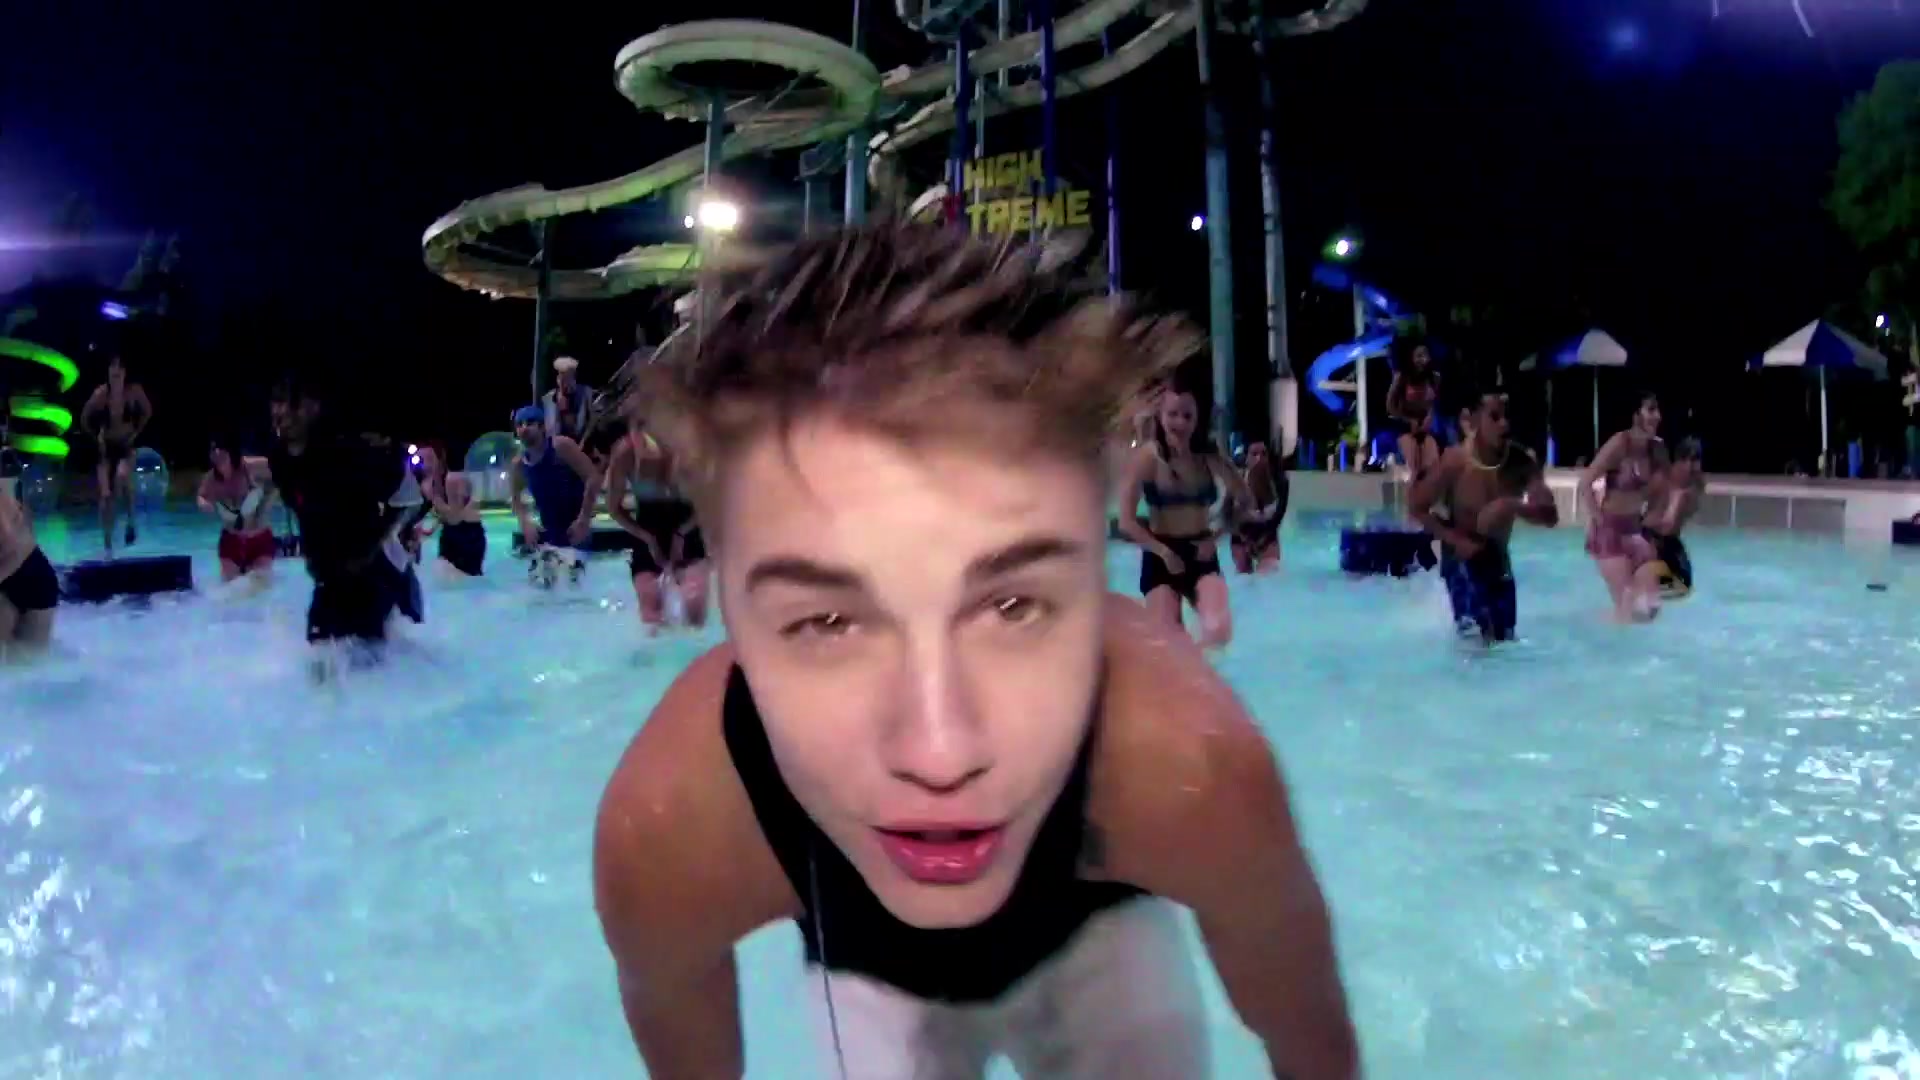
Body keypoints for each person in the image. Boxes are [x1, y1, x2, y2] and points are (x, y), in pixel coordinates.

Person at [593, 222, 1358, 1080]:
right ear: (727, 603)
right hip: (869, 980)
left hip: (1100, 945)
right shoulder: (673, 832)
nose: (940, 753)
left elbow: (1310, 1046)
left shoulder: (1190, 771)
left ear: (1094, 573)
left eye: (1013, 606)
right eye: (826, 621)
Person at [256, 369, 424, 660]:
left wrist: (377, 540)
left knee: (368, 666)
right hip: (330, 580)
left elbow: (410, 493)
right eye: (276, 402)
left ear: (312, 408)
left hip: (374, 576)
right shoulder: (280, 458)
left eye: (290, 403)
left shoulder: (347, 451)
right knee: (320, 662)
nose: (280, 412)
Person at [1409, 391, 1559, 644]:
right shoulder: (1455, 461)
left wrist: (1511, 505)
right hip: (1461, 559)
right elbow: (1416, 508)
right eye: (1495, 417)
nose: (1504, 424)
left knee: (1504, 642)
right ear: (1473, 419)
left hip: (1498, 560)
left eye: (1507, 416)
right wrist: (1455, 539)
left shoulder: (1521, 463)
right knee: (1477, 641)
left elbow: (1550, 516)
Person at [1115, 388, 1255, 648]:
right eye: (1173, 414)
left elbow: (1246, 499)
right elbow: (1126, 522)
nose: (1180, 423)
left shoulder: (1208, 457)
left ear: (1197, 419)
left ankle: (1196, 661)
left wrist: (1216, 536)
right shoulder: (1147, 458)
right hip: (1161, 556)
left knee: (1218, 632)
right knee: (1166, 639)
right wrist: (1164, 553)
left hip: (1201, 552)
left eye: (1188, 416)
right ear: (1160, 416)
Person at [606, 403, 710, 629]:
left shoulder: (691, 451)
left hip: (688, 526)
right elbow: (613, 508)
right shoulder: (625, 454)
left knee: (694, 608)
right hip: (648, 530)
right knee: (651, 612)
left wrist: (681, 534)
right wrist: (647, 539)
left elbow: (710, 502)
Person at [1580, 392, 1668, 622]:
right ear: (1636, 414)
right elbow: (1585, 484)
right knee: (1627, 605)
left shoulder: (1657, 449)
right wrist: (1599, 522)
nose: (1658, 416)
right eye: (1651, 409)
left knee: (1651, 609)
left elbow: (1663, 492)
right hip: (1609, 533)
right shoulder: (1620, 444)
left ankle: (1602, 621)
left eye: (1658, 410)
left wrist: (1651, 522)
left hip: (1636, 531)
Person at [509, 404, 601, 587]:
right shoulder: (519, 464)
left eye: (530, 423)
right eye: (520, 424)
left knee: (574, 586)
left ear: (542, 427)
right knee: (543, 588)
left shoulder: (561, 447)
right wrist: (525, 523)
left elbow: (593, 478)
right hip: (550, 532)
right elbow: (515, 498)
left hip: (576, 529)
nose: (524, 428)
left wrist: (584, 519)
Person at [80, 354, 153, 556]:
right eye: (112, 367)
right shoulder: (101, 394)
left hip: (126, 445)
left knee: (122, 477)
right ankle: (107, 544)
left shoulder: (134, 391)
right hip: (106, 448)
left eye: (119, 368)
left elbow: (148, 411)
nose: (116, 371)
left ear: (125, 372)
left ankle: (130, 522)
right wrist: (96, 437)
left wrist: (136, 432)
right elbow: (84, 418)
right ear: (108, 372)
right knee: (105, 495)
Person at [197, 437, 277, 583]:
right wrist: (204, 504)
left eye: (220, 449)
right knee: (232, 588)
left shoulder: (251, 466)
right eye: (213, 450)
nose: (217, 453)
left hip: (260, 539)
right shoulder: (211, 478)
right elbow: (201, 496)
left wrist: (267, 502)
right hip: (231, 542)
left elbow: (280, 472)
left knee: (259, 586)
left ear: (230, 451)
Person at [1639, 436, 1704, 600]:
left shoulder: (1696, 484)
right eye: (1685, 460)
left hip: (1670, 541)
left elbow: (1685, 515)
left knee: (1684, 588)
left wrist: (1680, 500)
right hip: (1649, 537)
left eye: (1695, 461)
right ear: (1677, 462)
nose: (1689, 467)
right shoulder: (1661, 478)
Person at [0, 471, 57, 658]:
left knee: (28, 663)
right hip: (29, 569)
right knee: (26, 665)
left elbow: (9, 541)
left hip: (28, 575)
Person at [1385, 340, 1442, 481]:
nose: (1423, 360)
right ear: (1411, 357)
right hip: (1405, 426)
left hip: (1426, 427)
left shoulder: (1434, 378)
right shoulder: (1401, 377)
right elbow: (1390, 406)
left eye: (1425, 355)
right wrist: (1408, 420)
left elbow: (1436, 403)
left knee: (1431, 462)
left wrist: (1430, 417)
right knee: (1412, 463)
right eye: (1419, 356)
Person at [1229, 439, 1288, 574]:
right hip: (1241, 536)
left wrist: (1262, 539)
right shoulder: (1236, 481)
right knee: (1243, 579)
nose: (1259, 458)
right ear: (1246, 458)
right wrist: (1245, 539)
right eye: (1254, 454)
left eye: (1263, 454)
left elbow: (1278, 516)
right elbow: (1230, 516)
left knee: (1269, 578)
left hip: (1267, 535)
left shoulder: (1280, 482)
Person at [543, 356, 595, 443]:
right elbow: (549, 430)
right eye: (561, 375)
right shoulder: (548, 398)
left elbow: (588, 425)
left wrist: (566, 411)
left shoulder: (586, 393)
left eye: (568, 376)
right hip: (555, 445)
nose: (563, 380)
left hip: (580, 444)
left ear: (574, 376)